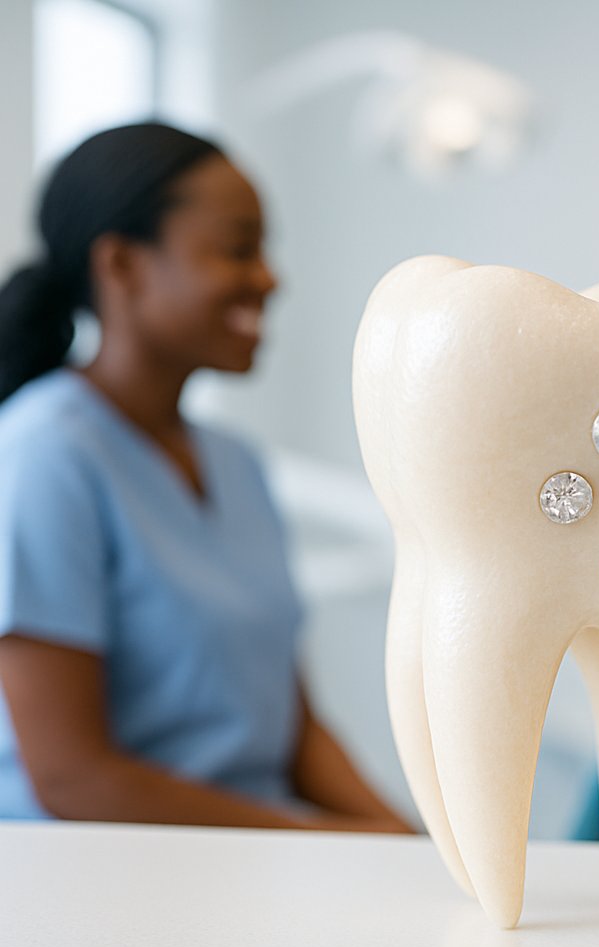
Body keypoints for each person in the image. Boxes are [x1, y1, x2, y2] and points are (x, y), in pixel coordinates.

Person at [0, 123, 410, 832]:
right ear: (123, 265)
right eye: (239, 248)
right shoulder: (44, 455)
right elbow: (72, 779)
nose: (270, 277)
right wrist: (326, 844)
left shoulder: (237, 467)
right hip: (103, 884)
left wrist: (412, 845)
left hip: (254, 861)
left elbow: (294, 732)